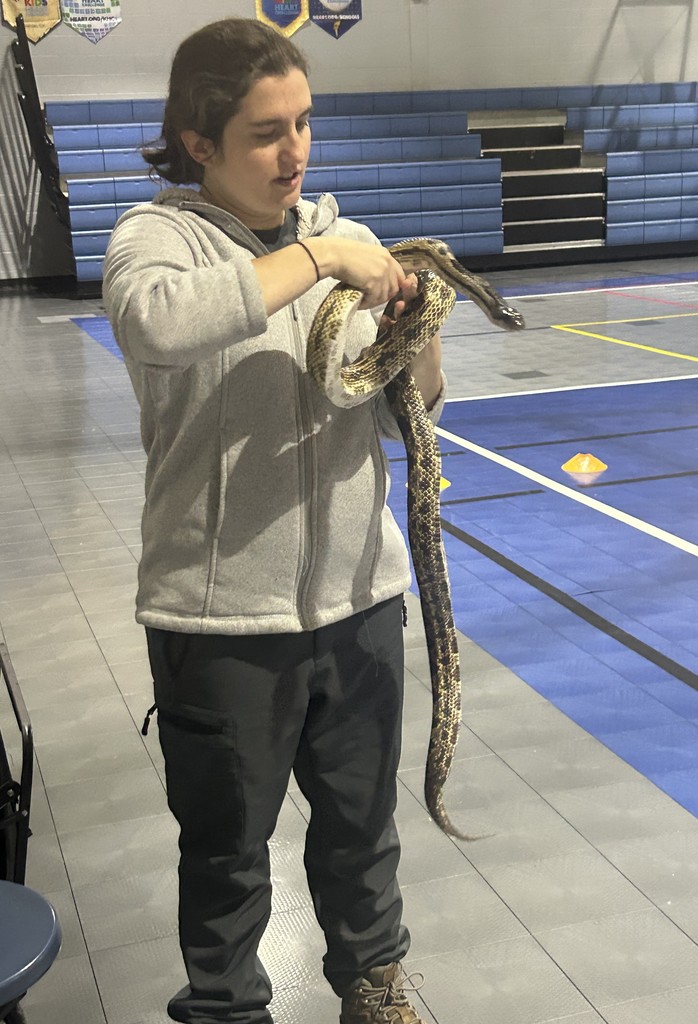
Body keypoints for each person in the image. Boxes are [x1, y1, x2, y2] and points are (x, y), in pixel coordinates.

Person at [102, 17, 447, 1024]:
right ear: (200, 141)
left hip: (359, 603)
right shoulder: (154, 241)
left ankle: (374, 989)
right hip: (219, 627)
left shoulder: (349, 242)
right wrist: (323, 259)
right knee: (224, 850)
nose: (295, 150)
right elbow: (161, 324)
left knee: (360, 829)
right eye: (266, 131)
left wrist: (415, 328)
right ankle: (226, 1008)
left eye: (304, 123)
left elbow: (414, 401)